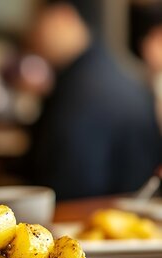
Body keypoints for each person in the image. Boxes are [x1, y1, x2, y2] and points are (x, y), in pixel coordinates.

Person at [26, 0, 162, 200]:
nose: (33, 33)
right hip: (136, 211)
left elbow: (70, 183)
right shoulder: (111, 72)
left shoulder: (81, 89)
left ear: (63, 17)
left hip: (90, 216)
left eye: (38, 21)